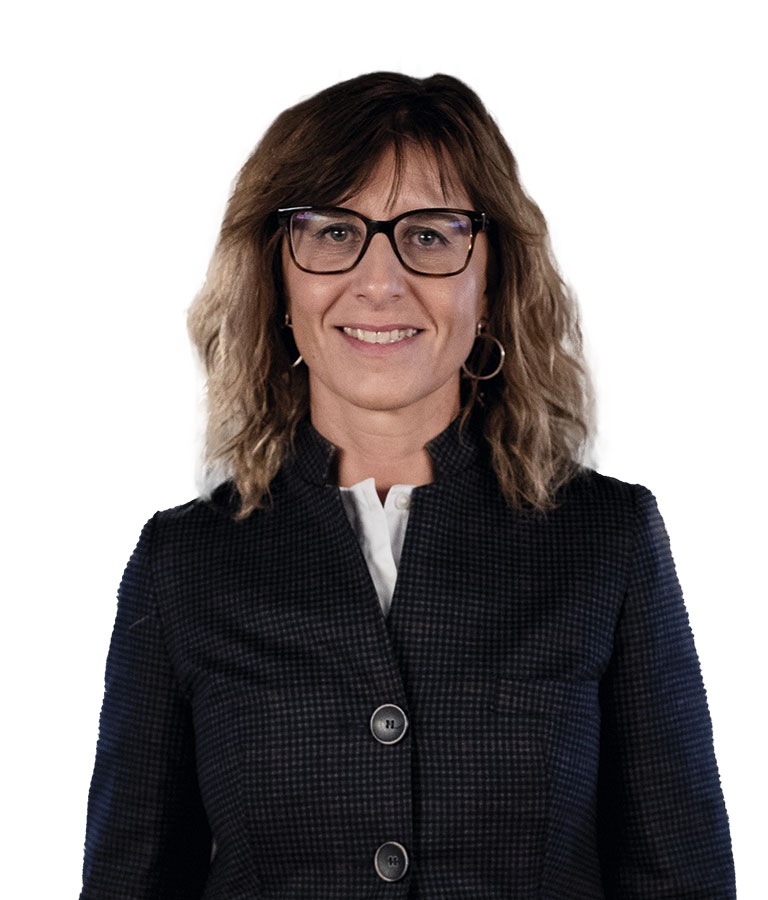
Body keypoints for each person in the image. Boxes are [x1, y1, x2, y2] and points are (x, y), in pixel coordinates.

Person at [78, 72, 736, 899]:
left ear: (492, 280)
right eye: (333, 232)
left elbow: (682, 880)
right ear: (279, 278)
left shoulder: (608, 539)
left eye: (428, 235)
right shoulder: (183, 562)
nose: (380, 282)